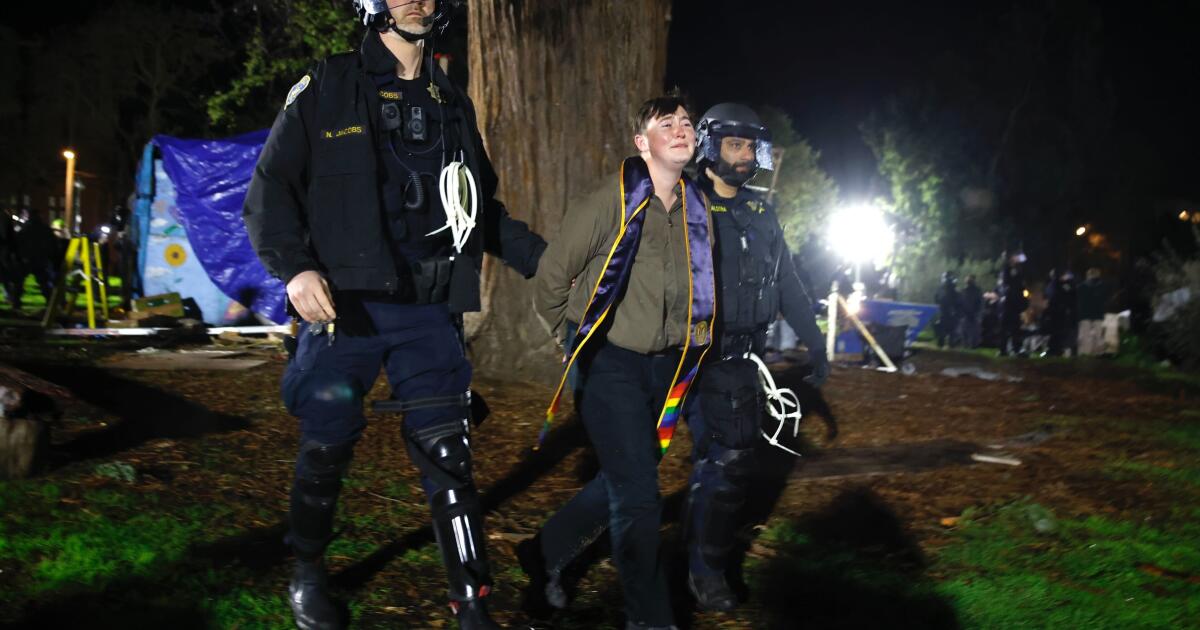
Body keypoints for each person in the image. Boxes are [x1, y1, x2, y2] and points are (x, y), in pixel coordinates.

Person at [242, 2, 545, 628]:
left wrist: (551, 262)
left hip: (427, 312)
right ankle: (307, 572)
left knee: (449, 455)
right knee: (327, 446)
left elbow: (481, 209)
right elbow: (270, 188)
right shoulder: (328, 84)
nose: (417, 1)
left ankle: (471, 603)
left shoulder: (449, 100)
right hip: (345, 311)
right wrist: (295, 268)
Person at [525, 94, 715, 630]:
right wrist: (571, 340)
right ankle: (649, 619)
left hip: (665, 369)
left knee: (625, 477)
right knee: (639, 498)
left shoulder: (697, 211)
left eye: (686, 122)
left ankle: (543, 551)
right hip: (609, 364)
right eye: (666, 123)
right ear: (641, 142)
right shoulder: (611, 200)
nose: (680, 129)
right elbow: (551, 279)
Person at [681, 103, 830, 611]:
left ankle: (700, 562)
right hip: (693, 356)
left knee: (724, 462)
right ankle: (702, 569)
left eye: (750, 146)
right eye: (734, 145)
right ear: (709, 147)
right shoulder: (683, 204)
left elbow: (786, 280)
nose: (744, 156)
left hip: (745, 360)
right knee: (723, 462)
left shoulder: (762, 213)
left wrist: (815, 340)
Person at [997, 251, 1028, 356]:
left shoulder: (1012, 270)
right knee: (1008, 327)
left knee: (1012, 327)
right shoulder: (1009, 270)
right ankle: (1008, 349)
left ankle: (1012, 349)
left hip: (1011, 303)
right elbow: (1013, 286)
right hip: (1010, 303)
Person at [1043, 269, 1078, 357]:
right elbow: (1069, 296)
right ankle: (1056, 350)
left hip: (1057, 311)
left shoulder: (1054, 285)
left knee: (1057, 332)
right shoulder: (1059, 285)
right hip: (1059, 311)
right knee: (1058, 332)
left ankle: (1054, 350)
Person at [1076, 268, 1110, 355]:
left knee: (1085, 335)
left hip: (1085, 314)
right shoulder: (1103, 286)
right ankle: (1098, 353)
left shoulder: (1081, 287)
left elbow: (1077, 301)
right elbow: (1106, 300)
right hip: (1097, 314)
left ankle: (1085, 353)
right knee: (1098, 335)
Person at [934, 270, 961, 348]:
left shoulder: (942, 288)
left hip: (946, 311)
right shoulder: (953, 289)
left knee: (945, 328)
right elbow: (958, 301)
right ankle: (948, 343)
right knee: (950, 329)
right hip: (949, 311)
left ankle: (943, 343)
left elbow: (936, 299)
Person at [959, 274, 984, 348]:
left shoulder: (976, 291)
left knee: (972, 331)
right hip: (967, 314)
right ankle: (968, 345)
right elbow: (960, 302)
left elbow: (980, 303)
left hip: (972, 314)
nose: (968, 281)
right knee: (967, 331)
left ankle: (971, 345)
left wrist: (977, 313)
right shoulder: (965, 290)